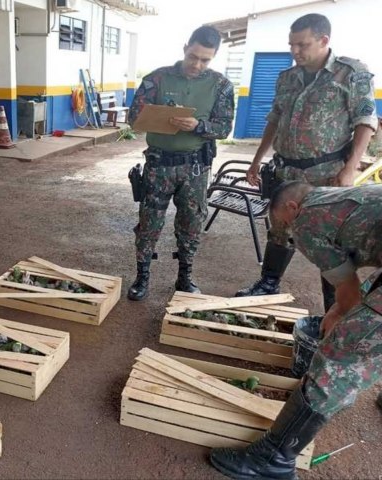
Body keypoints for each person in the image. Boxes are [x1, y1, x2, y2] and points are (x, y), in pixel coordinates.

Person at [211, 180, 382, 479]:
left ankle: (272, 461)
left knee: (339, 356)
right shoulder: (339, 195)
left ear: (292, 207)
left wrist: (340, 314)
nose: (287, 230)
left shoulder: (306, 221)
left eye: (283, 222)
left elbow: (349, 290)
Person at [235, 13, 377, 314]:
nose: (295, 51)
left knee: (331, 239)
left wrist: (350, 168)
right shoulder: (286, 78)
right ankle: (268, 282)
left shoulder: (351, 73)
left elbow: (365, 122)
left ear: (324, 40)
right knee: (280, 229)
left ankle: (335, 305)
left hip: (326, 174)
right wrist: (256, 161)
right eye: (292, 45)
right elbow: (273, 121)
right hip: (286, 171)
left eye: (303, 44)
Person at [126, 25, 234, 301]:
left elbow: (223, 128)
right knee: (149, 221)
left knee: (191, 223)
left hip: (195, 168)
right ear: (185, 47)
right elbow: (133, 117)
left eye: (205, 60)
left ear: (214, 57)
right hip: (159, 164)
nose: (197, 65)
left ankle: (185, 277)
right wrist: (157, 117)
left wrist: (197, 125)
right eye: (193, 56)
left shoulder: (221, 85)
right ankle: (142, 276)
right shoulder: (157, 78)